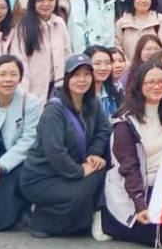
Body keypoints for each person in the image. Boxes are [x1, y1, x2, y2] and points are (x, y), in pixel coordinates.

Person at [19, 54, 111, 238]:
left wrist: (94, 153)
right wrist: (78, 171)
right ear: (67, 78)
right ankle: (42, 221)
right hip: (43, 176)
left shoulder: (93, 102)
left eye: (86, 74)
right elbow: (55, 152)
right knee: (80, 196)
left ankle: (77, 217)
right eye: (76, 75)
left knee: (102, 173)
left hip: (72, 168)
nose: (82, 80)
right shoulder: (54, 110)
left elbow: (103, 130)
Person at [102, 60, 162, 246]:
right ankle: (106, 220)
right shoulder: (125, 122)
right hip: (134, 188)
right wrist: (140, 205)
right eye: (150, 82)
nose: (157, 86)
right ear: (139, 85)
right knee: (159, 237)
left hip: (161, 185)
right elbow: (129, 167)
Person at [0, 55, 42, 232]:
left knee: (1, 221)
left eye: (13, 74)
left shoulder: (30, 102)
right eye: (2, 74)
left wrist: (1, 166)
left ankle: (24, 205)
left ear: (20, 77)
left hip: (17, 163)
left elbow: (29, 140)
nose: (8, 79)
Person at [10, 0, 71, 100]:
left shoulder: (59, 23)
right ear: (33, 2)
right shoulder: (23, 27)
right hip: (34, 88)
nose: (46, 4)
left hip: (58, 86)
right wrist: (24, 93)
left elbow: (67, 53)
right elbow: (20, 61)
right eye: (40, 0)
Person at [114, 0, 162, 65]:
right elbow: (118, 49)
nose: (143, 0)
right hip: (129, 71)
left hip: (154, 69)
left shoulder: (160, 20)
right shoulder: (121, 24)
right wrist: (128, 66)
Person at [85, 45, 122, 119]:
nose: (103, 68)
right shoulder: (80, 96)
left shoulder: (115, 93)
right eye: (97, 63)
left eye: (108, 63)